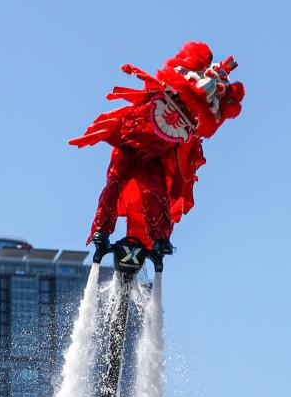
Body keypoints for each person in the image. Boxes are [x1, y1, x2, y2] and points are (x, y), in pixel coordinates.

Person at [70, 43, 244, 255]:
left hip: (153, 160)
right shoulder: (155, 96)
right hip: (127, 148)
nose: (178, 112)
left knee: (155, 195)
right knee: (114, 185)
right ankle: (101, 231)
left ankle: (159, 239)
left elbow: (187, 160)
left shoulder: (187, 135)